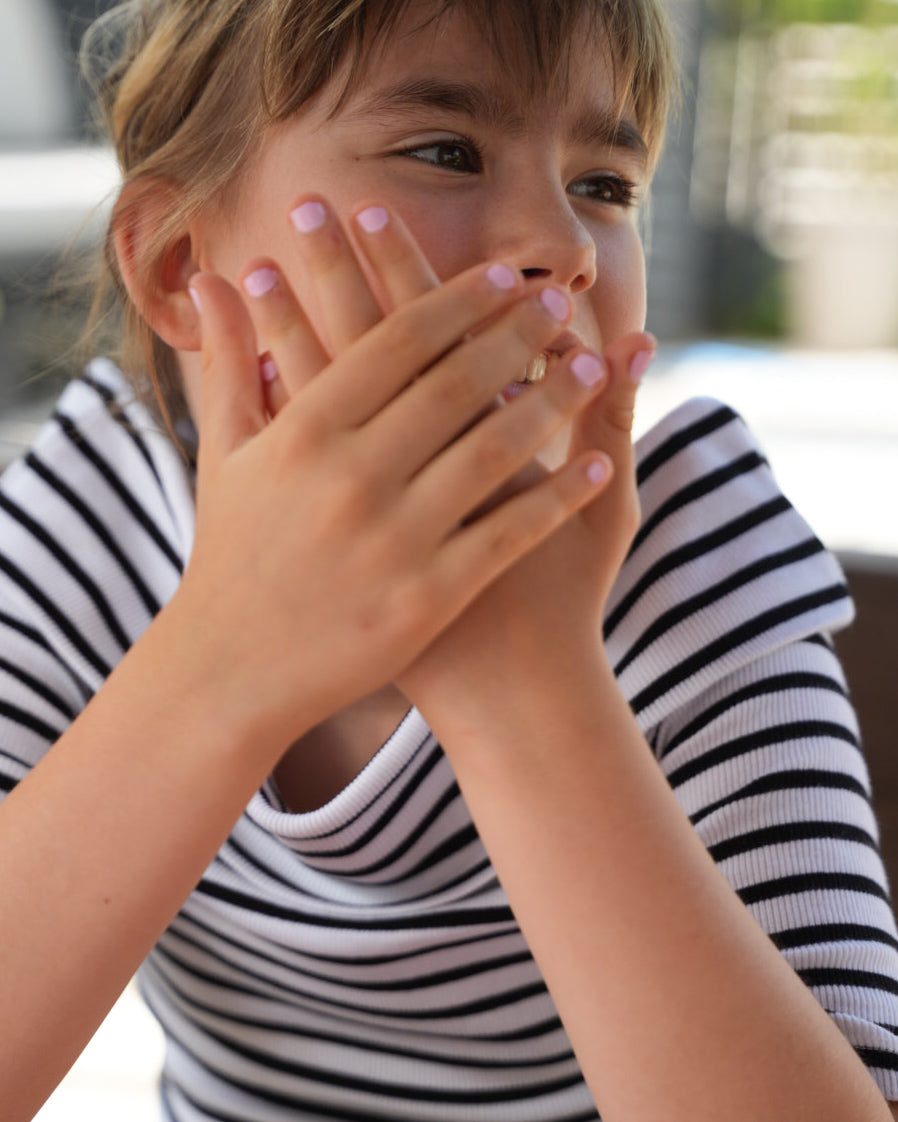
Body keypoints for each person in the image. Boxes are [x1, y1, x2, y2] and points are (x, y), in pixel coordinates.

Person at [1, 1, 897, 1119]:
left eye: (603, 186)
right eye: (445, 152)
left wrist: (518, 678)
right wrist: (228, 655)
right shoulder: (101, 498)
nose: (565, 250)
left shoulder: (684, 537)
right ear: (182, 264)